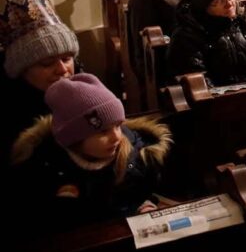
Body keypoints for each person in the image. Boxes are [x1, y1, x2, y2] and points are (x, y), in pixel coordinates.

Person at [8, 73, 171, 229]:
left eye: (118, 125)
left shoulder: (137, 155)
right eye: (103, 132)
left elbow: (141, 193)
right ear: (74, 138)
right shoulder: (46, 166)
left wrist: (144, 206)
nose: (117, 136)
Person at [0, 0, 78, 166]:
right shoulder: (9, 118)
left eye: (67, 59)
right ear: (21, 70)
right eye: (47, 63)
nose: (62, 69)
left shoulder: (86, 87)